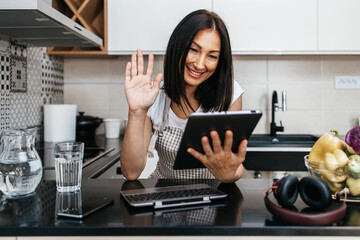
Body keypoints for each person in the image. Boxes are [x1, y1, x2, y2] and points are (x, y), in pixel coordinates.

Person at [120, 9, 247, 183]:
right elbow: (131, 172)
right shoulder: (156, 95)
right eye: (194, 50)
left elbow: (233, 165)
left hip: (211, 197)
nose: (200, 64)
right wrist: (137, 112)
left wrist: (229, 175)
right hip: (165, 196)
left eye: (212, 56)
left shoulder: (230, 93)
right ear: (178, 46)